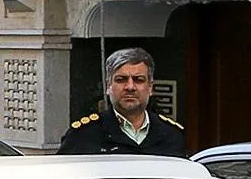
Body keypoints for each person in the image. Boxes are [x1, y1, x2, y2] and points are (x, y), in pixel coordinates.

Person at [57, 48, 188, 157]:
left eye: (138, 80)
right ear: (108, 86)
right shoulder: (83, 135)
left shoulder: (171, 135)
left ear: (150, 87)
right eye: (121, 80)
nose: (130, 87)